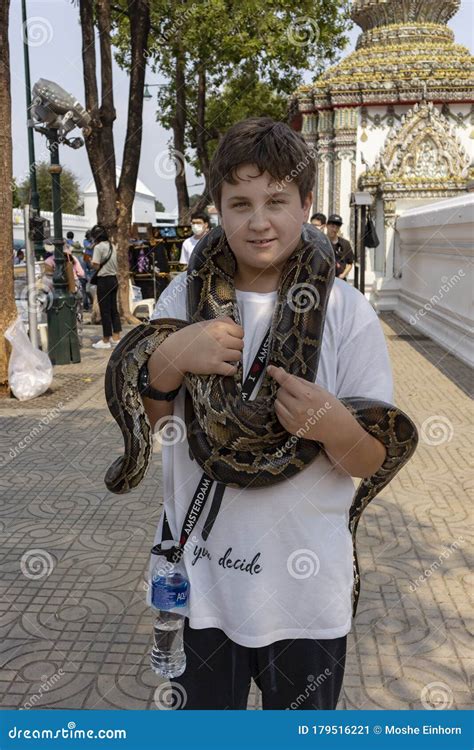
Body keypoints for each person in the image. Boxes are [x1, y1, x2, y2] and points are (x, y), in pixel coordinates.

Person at [143, 117, 393, 710]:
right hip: (203, 586)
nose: (259, 220)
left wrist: (333, 425)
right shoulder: (183, 296)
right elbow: (161, 423)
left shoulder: (348, 312)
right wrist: (172, 358)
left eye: (277, 201)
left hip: (306, 595)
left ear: (307, 205)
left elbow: (370, 458)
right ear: (219, 212)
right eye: (241, 203)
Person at [90, 225, 122, 349]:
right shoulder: (112, 246)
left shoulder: (98, 247)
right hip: (114, 279)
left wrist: (90, 263)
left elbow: (96, 265)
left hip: (104, 280)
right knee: (114, 309)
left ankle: (106, 339)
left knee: (105, 310)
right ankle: (116, 337)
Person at [326, 214, 354, 280]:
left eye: (337, 227)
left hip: (340, 281)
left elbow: (350, 263)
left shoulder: (345, 244)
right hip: (324, 281)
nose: (334, 230)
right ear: (327, 226)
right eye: (332, 226)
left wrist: (343, 275)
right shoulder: (321, 242)